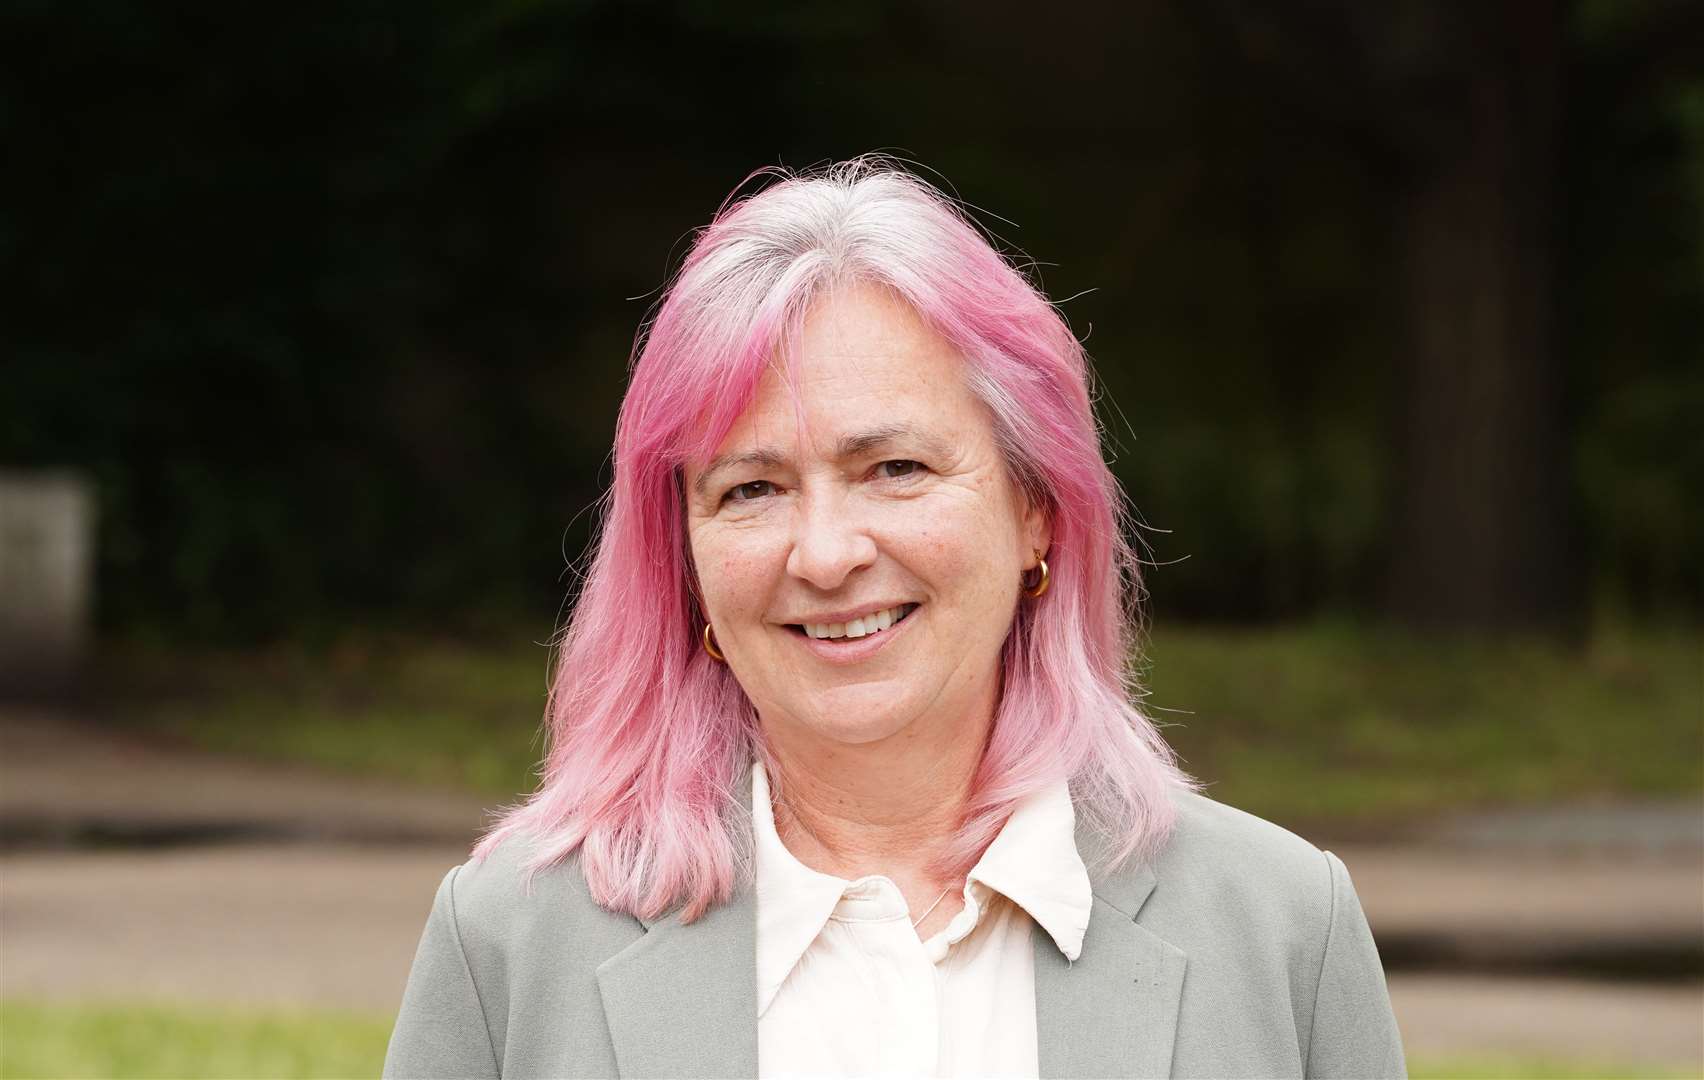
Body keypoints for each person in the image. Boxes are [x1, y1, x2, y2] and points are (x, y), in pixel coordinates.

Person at [383, 157, 1406, 1079]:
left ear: (1034, 509)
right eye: (751, 489)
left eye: (896, 469)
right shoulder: (512, 945)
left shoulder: (1282, 932)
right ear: (683, 562)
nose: (826, 554)